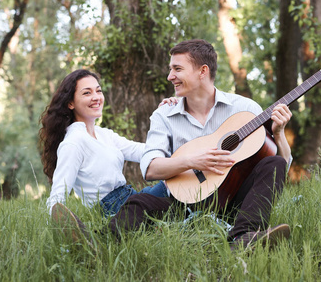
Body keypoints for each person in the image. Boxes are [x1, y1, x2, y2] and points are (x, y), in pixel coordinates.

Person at [105, 39, 293, 250]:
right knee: (138, 203)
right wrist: (192, 161)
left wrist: (279, 133)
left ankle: (243, 237)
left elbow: (281, 168)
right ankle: (96, 242)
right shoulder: (164, 114)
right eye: (170, 69)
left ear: (202, 71)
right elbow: (150, 168)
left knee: (274, 163)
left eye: (177, 69)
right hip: (184, 203)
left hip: (234, 199)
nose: (170, 77)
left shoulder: (245, 109)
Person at [39, 69, 173, 227]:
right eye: (87, 93)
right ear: (70, 103)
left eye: (98, 91)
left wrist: (165, 115)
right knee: (179, 200)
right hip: (114, 210)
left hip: (133, 198)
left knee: (181, 186)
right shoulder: (73, 142)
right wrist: (54, 227)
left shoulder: (103, 134)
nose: (96, 97)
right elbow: (58, 192)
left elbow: (141, 151)